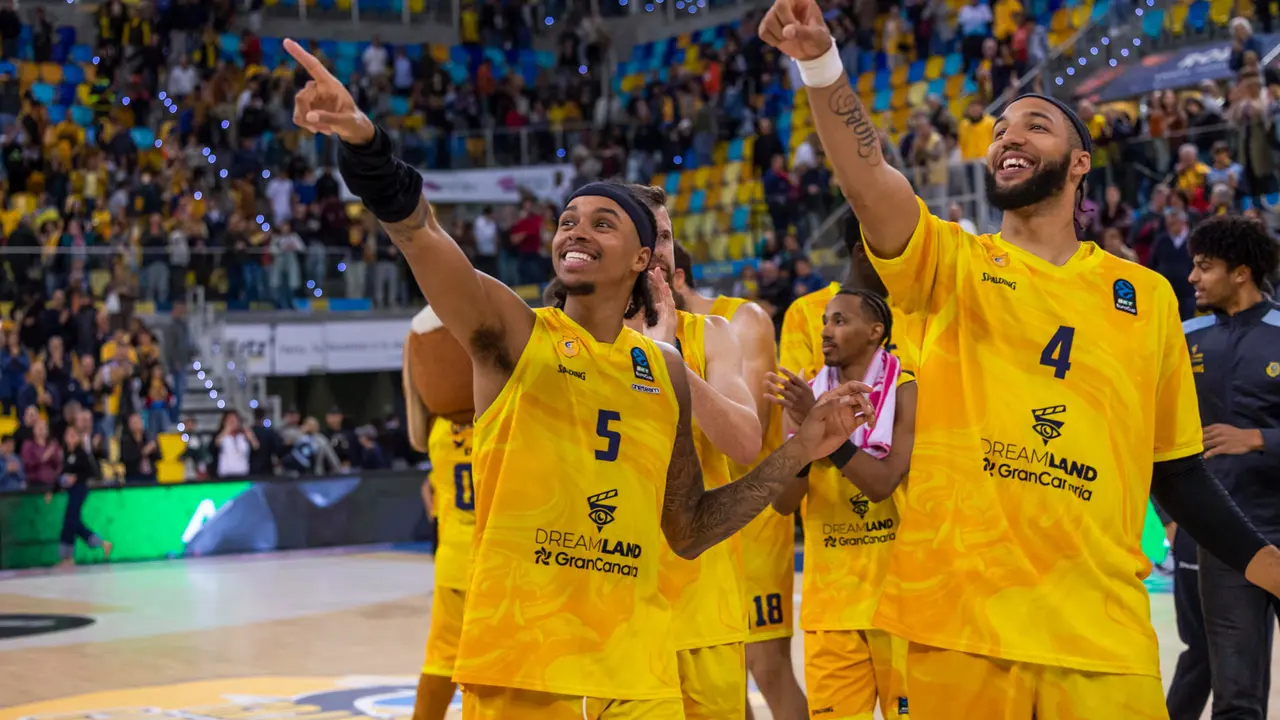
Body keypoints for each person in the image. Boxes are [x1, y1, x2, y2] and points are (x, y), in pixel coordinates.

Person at [285, 37, 875, 719]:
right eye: (568, 221)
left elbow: (691, 526)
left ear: (644, 258)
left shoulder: (667, 370)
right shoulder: (513, 333)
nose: (576, 230)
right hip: (526, 659)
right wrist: (364, 142)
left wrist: (799, 451)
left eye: (603, 222)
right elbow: (420, 235)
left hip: (637, 666)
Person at [759, 1, 1280, 716]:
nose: (1009, 136)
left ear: (1079, 164)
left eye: (1036, 125)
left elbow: (1177, 471)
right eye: (1000, 129)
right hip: (957, 628)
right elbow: (870, 180)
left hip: (1102, 639)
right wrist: (821, 65)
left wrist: (1265, 563)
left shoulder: (1147, 296)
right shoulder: (951, 265)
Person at [623, 185, 762, 720]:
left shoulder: (713, 334)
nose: (658, 251)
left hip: (706, 603)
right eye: (645, 236)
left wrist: (670, 355)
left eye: (665, 237)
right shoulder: (581, 339)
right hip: (620, 604)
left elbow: (747, 443)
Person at [669, 243, 809, 719]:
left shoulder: (740, 320)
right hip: (694, 517)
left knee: (765, 665)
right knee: (714, 674)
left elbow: (744, 426)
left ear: (678, 279)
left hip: (752, 515)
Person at [769, 289, 915, 719]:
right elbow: (782, 502)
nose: (826, 332)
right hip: (830, 604)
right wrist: (807, 431)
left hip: (900, 601)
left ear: (876, 332)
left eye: (840, 322)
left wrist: (822, 430)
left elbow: (883, 484)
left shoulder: (907, 390)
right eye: (825, 322)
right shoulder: (806, 397)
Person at [1182, 214, 1280, 720]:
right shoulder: (1184, 336)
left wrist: (1258, 439)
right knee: (1235, 696)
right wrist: (1172, 511)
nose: (1193, 278)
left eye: (1204, 267)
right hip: (1226, 540)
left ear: (1241, 273)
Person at [413, 417, 475, 720]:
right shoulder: (507, 417)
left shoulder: (438, 431)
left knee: (441, 660)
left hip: (454, 559)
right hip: (503, 559)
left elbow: (415, 436)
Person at [59, 423, 109, 565]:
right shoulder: (67, 454)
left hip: (80, 489)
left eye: (73, 435)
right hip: (71, 490)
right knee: (75, 522)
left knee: (70, 521)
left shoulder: (81, 454)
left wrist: (76, 477)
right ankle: (102, 543)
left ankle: (68, 557)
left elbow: (91, 472)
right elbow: (62, 473)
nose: (71, 438)